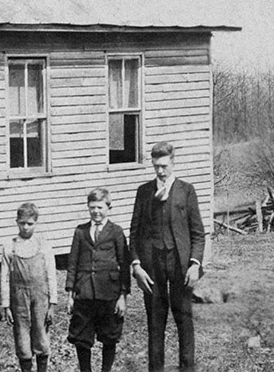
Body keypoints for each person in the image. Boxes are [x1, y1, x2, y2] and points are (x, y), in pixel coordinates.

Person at [129, 142, 206, 372]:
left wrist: (195, 264)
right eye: (156, 166)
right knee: (155, 322)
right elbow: (133, 233)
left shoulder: (186, 191)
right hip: (152, 266)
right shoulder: (144, 192)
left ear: (173, 163)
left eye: (164, 166)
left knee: (183, 319)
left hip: (180, 264)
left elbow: (198, 234)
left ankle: (187, 368)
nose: (160, 171)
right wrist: (136, 265)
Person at [65, 189, 131, 372]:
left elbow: (124, 265)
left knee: (109, 336)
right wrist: (70, 295)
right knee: (81, 338)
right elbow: (72, 263)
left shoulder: (116, 232)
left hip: (109, 293)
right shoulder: (80, 231)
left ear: (108, 207)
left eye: (100, 207)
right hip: (84, 293)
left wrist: (122, 296)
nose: (96, 211)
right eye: (92, 207)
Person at [0, 203, 57, 372]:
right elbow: (4, 278)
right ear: (16, 222)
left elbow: (51, 274)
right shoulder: (10, 246)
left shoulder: (43, 245)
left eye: (30, 223)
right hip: (18, 299)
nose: (25, 227)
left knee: (41, 337)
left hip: (40, 298)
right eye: (22, 223)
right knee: (22, 338)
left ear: (36, 223)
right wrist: (6, 306)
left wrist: (52, 303)